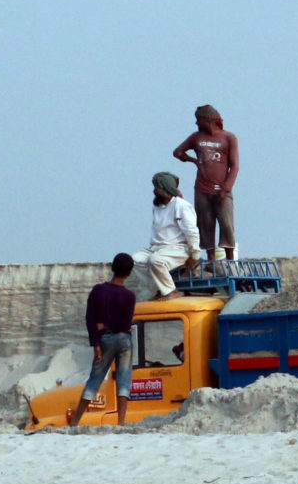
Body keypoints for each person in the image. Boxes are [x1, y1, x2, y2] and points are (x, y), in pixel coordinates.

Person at [67, 253, 139, 427]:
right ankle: (121, 421)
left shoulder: (98, 291)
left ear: (112, 267)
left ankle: (75, 421)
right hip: (124, 340)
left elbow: (90, 319)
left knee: (94, 380)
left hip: (104, 340)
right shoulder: (129, 296)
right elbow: (126, 323)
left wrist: (97, 342)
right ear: (129, 273)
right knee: (124, 380)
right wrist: (111, 325)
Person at [172, 104, 239, 262]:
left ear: (208, 120)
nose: (197, 123)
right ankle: (211, 259)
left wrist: (226, 188)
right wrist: (193, 160)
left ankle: (230, 260)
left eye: (199, 120)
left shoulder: (229, 138)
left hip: (222, 188)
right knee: (205, 224)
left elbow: (235, 166)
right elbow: (178, 152)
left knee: (226, 224)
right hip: (202, 188)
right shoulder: (196, 137)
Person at [142, 172, 199, 298]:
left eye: (157, 188)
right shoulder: (157, 207)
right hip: (157, 248)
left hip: (177, 248)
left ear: (165, 190)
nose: (154, 192)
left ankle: (170, 291)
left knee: (156, 261)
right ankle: (159, 289)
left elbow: (191, 231)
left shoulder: (181, 206)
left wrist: (194, 255)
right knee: (135, 260)